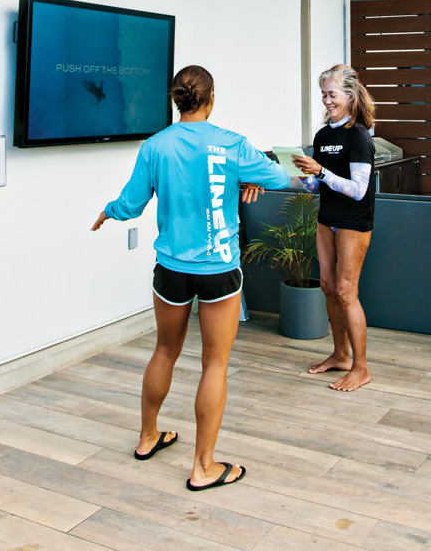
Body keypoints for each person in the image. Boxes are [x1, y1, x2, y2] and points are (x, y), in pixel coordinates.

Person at [92, 65, 290, 490]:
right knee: (214, 363)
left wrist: (108, 211)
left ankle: (148, 438)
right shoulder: (231, 144)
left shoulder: (155, 146)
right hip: (219, 269)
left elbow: (130, 204)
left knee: (164, 351)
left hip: (171, 270)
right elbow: (277, 176)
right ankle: (203, 467)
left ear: (177, 100)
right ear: (212, 98)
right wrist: (243, 181)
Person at [293, 64, 376, 392]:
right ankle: (340, 356)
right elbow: (319, 186)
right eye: (324, 95)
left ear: (350, 95)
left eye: (332, 95)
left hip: (354, 223)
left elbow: (358, 190)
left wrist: (321, 172)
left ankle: (361, 368)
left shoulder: (359, 136)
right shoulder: (323, 135)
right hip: (326, 219)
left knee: (345, 291)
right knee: (328, 286)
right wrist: (308, 178)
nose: (327, 100)